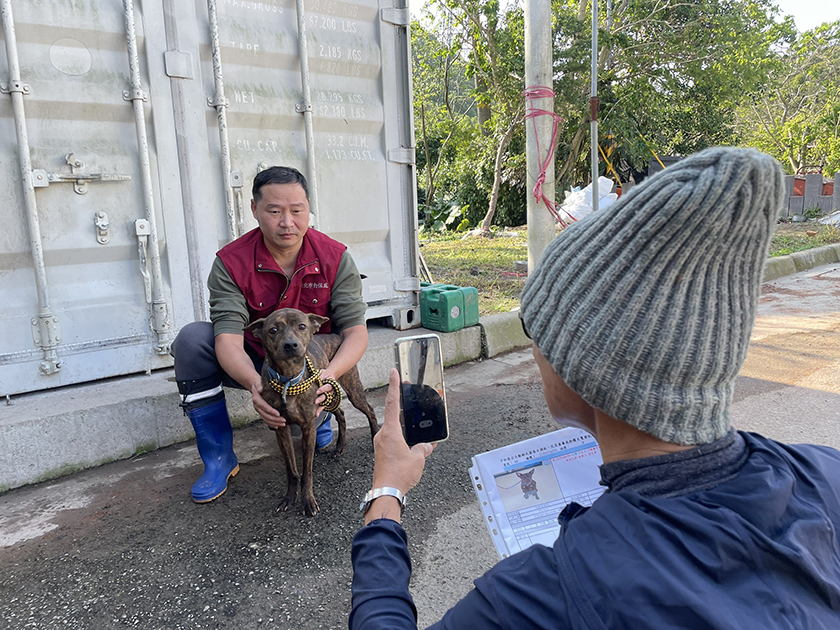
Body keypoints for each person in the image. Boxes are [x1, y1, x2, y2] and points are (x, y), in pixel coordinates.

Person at [349, 147, 840, 629]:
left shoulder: (544, 595)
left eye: (535, 334)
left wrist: (387, 491)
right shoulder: (825, 474)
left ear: (579, 370)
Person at [171, 166, 368, 503]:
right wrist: (256, 387)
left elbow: (356, 333)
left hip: (312, 367)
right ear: (254, 210)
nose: (287, 222)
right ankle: (219, 458)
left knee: (308, 403)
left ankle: (315, 418)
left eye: (296, 210)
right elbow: (228, 340)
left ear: (308, 208)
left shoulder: (335, 258)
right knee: (191, 342)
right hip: (257, 360)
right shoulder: (231, 262)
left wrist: (328, 377)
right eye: (274, 211)